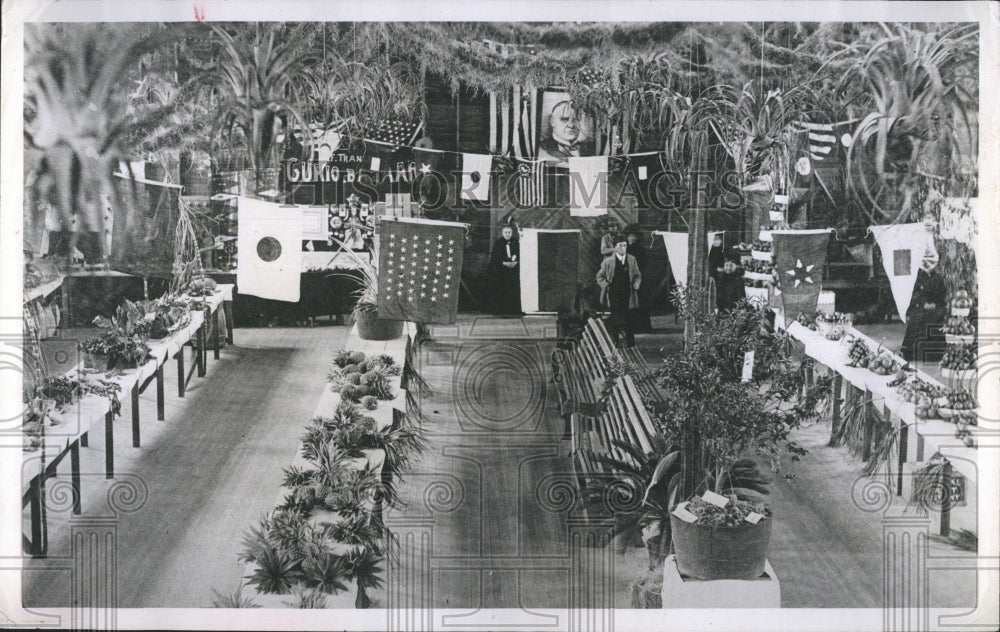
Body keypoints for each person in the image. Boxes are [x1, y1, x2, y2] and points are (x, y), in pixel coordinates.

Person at [900, 214, 946, 362]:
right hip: (920, 306)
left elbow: (942, 296)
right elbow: (912, 294)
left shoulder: (938, 278)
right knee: (919, 317)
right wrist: (923, 302)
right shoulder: (917, 276)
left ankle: (934, 354)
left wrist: (936, 304)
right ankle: (912, 352)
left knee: (938, 315)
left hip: (935, 308)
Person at [596, 235, 642, 348]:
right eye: (620, 245)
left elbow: (638, 275)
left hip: (628, 293)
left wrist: (636, 284)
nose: (623, 248)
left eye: (625, 245)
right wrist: (606, 286)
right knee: (615, 318)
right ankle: (615, 343)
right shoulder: (608, 261)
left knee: (629, 318)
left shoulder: (632, 259)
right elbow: (599, 277)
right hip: (614, 294)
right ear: (615, 247)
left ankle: (631, 344)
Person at [538, 101, 594, 166]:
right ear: (552, 121)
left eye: (576, 119)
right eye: (564, 119)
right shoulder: (542, 149)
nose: (571, 125)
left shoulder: (590, 149)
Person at [488, 224, 523, 316]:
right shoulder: (498, 243)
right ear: (502, 233)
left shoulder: (516, 242)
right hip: (501, 271)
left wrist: (515, 262)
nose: (507, 234)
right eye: (506, 232)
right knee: (501, 288)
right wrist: (504, 263)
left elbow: (519, 253)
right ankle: (501, 310)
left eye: (509, 232)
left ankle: (514, 311)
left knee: (514, 289)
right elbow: (495, 259)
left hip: (514, 270)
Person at [625, 225, 652, 333]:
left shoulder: (640, 249)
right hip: (628, 277)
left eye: (633, 236)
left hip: (638, 278)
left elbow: (644, 263)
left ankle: (643, 327)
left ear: (637, 237)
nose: (630, 238)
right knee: (630, 302)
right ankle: (632, 327)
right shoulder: (626, 248)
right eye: (629, 236)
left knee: (640, 301)